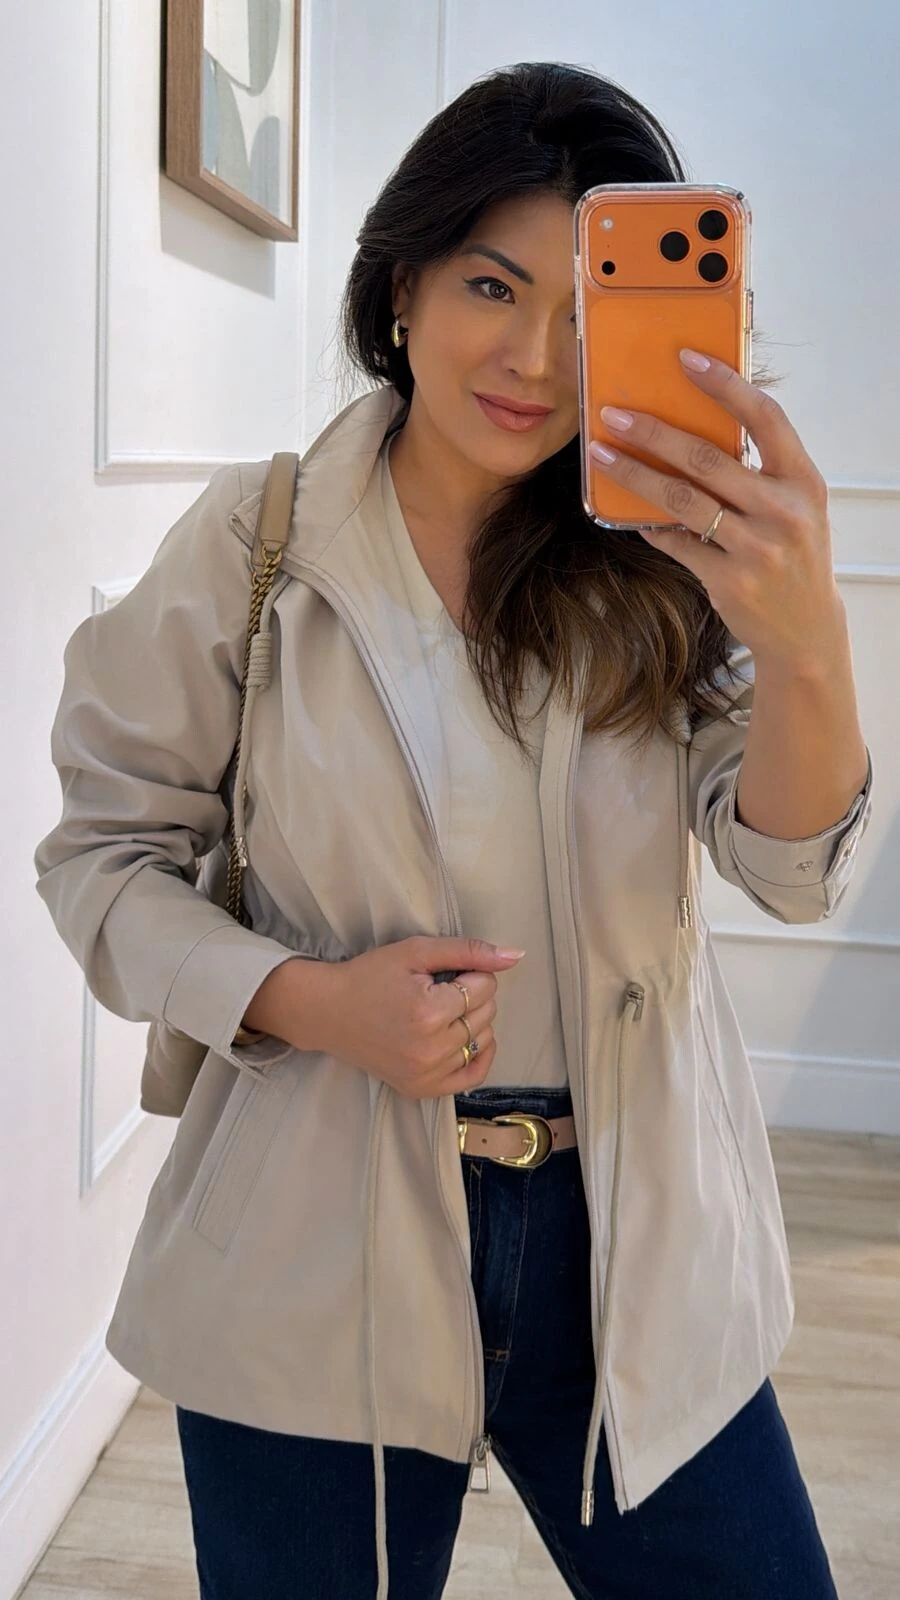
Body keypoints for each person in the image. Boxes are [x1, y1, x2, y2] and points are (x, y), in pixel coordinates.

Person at [34, 60, 872, 1600]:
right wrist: (315, 1003)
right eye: (494, 285)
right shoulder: (256, 543)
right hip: (313, 1245)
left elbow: (791, 868)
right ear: (402, 281)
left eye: (588, 309)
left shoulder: (668, 560)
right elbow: (100, 860)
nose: (537, 360)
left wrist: (810, 647)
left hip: (633, 1247)